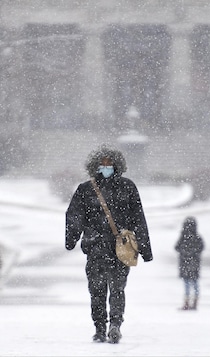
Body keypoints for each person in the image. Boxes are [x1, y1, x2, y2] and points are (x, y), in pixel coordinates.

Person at [65, 145, 153, 344]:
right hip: (95, 248)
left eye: (109, 163)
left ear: (117, 165)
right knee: (96, 291)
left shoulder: (127, 187)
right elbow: (74, 216)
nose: (106, 167)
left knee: (117, 289)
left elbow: (138, 218)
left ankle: (115, 324)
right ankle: (99, 326)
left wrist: (145, 249)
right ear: (95, 166)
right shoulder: (85, 190)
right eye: (102, 163)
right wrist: (72, 238)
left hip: (119, 251)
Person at [175, 216, 204, 311]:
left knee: (187, 283)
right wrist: (193, 254)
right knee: (194, 283)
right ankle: (195, 303)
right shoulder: (197, 237)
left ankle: (187, 303)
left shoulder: (183, 237)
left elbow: (177, 247)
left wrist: (185, 253)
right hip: (194, 264)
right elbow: (201, 248)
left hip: (185, 263)